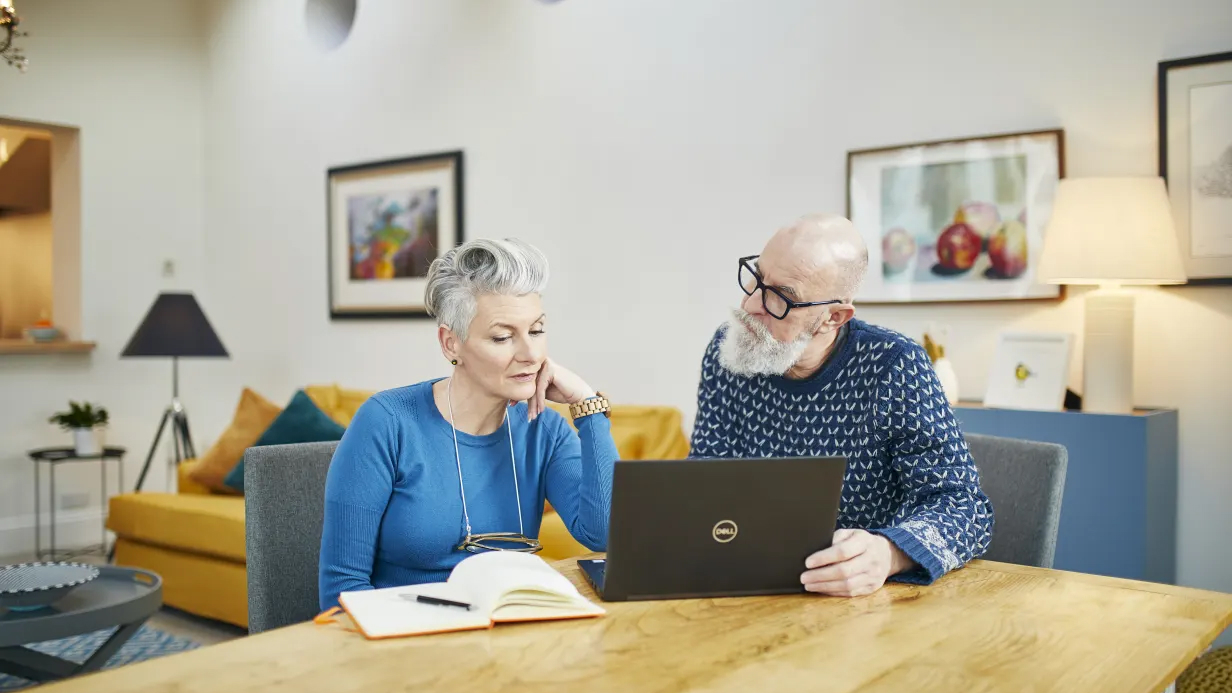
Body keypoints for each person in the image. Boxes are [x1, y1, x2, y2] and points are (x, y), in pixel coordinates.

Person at [690, 213, 993, 597]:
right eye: (756, 277)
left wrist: (890, 553)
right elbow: (706, 480)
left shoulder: (894, 366)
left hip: (859, 600)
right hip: (751, 586)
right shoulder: (731, 348)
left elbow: (965, 508)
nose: (750, 304)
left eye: (781, 296)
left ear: (833, 317)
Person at [318, 238, 618, 611]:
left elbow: (603, 534)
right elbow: (341, 589)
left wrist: (588, 406)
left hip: (508, 630)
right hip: (403, 635)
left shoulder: (544, 429)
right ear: (451, 344)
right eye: (502, 337)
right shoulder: (387, 423)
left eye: (537, 330)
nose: (530, 354)